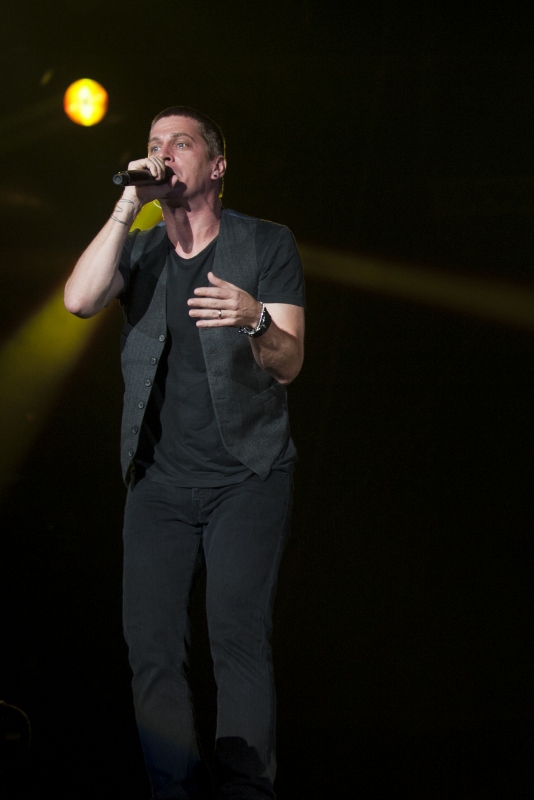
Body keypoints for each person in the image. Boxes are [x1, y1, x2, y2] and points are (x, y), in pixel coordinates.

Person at [64, 106, 305, 799]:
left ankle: (245, 792)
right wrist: (124, 209)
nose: (163, 152)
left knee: (237, 639)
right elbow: (79, 300)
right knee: (153, 651)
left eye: (180, 142)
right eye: (152, 144)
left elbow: (289, 364)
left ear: (217, 165)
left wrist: (254, 317)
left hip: (246, 476)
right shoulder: (139, 249)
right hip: (159, 483)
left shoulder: (265, 243)